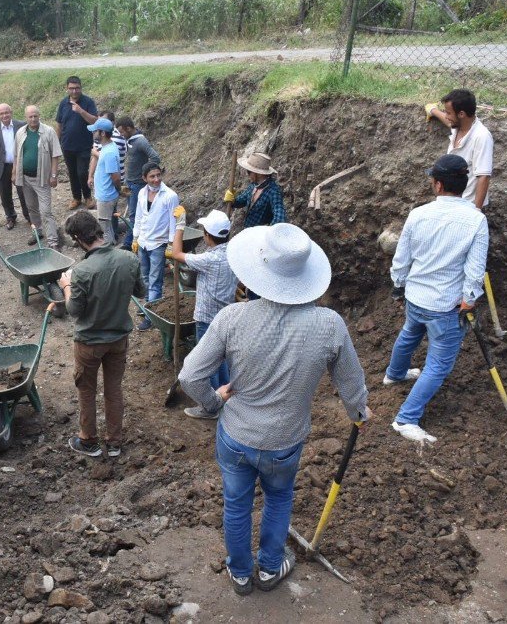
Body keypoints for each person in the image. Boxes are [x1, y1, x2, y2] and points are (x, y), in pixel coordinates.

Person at [178, 223, 371, 596]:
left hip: (236, 436)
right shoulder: (329, 325)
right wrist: (359, 412)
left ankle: (239, 573)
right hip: (285, 439)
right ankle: (269, 568)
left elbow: (189, 376)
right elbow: (351, 382)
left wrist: (214, 401)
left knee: (236, 505)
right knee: (279, 498)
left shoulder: (233, 318)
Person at [386, 154, 488, 444]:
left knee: (410, 333)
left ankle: (394, 374)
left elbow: (401, 256)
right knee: (438, 365)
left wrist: (398, 284)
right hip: (445, 305)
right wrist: (470, 298)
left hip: (416, 296)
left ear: (439, 184)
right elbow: (475, 268)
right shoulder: (476, 221)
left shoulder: (418, 214)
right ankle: (406, 419)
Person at [59, 210, 145, 458]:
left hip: (89, 343)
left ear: (78, 238)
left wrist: (66, 286)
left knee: (86, 390)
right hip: (119, 339)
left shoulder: (82, 271)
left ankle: (88, 441)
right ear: (97, 230)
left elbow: (74, 310)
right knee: (114, 389)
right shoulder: (128, 259)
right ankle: (115, 442)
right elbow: (140, 291)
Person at [169, 208, 238, 418]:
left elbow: (176, 253)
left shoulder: (209, 260)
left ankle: (213, 406)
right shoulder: (234, 252)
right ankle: (228, 397)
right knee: (223, 360)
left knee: (208, 364)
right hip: (227, 316)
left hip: (208, 319)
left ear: (208, 236)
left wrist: (179, 225)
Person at [425, 89, 493, 210]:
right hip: (450, 203)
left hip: (468, 206)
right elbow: (447, 121)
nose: (446, 116)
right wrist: (432, 110)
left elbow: (484, 176)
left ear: (461, 114)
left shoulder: (481, 137)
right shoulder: (458, 126)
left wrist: (476, 213)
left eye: (449, 113)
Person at [132, 162, 179, 329]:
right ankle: (148, 306)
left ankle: (151, 317)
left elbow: (174, 222)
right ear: (144, 178)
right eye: (152, 176)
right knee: (144, 277)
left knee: (155, 281)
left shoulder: (170, 196)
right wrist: (135, 237)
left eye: (158, 175)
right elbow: (138, 216)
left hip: (158, 243)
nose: (156, 179)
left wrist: (172, 244)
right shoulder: (141, 193)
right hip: (144, 242)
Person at [13, 105, 63, 250]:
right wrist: (14, 172)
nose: (33, 119)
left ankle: (53, 241)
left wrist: (54, 175)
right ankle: (37, 232)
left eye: (35, 116)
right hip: (25, 178)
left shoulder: (48, 131)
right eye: (30, 116)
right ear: (26, 117)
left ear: (39, 116)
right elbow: (16, 154)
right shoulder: (20, 132)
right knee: (31, 207)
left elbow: (55, 155)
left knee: (46, 210)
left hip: (42, 179)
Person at [116, 116, 160, 251]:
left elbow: (155, 157)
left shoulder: (141, 141)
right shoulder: (130, 140)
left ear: (128, 128)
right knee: (132, 213)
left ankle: (129, 243)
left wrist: (146, 174)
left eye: (122, 132)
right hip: (130, 182)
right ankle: (133, 240)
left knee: (135, 215)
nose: (121, 135)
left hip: (138, 184)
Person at [55, 75, 98, 210]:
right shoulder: (63, 103)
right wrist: (57, 142)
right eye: (71, 88)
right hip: (67, 145)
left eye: (77, 88)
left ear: (81, 88)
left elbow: (94, 121)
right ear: (67, 89)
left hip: (84, 145)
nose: (74, 91)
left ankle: (88, 197)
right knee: (72, 172)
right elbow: (59, 124)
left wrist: (80, 111)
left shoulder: (88, 102)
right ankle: (76, 198)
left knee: (82, 172)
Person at [0, 104, 30, 230]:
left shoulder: (21, 125)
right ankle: (10, 217)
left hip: (19, 165)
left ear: (11, 112)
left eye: (7, 113)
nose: (4, 116)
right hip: (2, 165)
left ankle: (28, 216)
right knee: (4, 193)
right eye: (1, 113)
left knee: (23, 192)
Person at [223, 152, 286, 229]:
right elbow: (241, 201)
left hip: (260, 237)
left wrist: (268, 233)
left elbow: (280, 216)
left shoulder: (273, 191)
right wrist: (232, 200)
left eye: (249, 172)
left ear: (259, 173)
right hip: (248, 232)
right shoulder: (253, 185)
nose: (247, 174)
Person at [87, 118, 122, 245]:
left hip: (106, 196)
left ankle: (109, 251)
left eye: (95, 131)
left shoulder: (109, 153)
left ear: (102, 133)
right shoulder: (108, 147)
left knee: (104, 228)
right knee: (108, 226)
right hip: (106, 194)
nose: (93, 133)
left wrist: (119, 190)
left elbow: (116, 177)